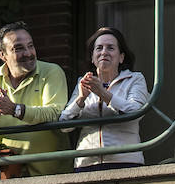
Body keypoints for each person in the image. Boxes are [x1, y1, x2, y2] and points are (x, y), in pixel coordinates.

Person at [0, 22, 68, 176]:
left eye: (30, 46)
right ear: (2, 54)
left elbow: (55, 113)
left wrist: (15, 110)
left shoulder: (51, 72)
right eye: (18, 48)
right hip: (8, 176)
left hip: (52, 175)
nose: (28, 53)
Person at [61, 27, 148, 170]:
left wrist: (103, 94)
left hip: (125, 162)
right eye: (99, 48)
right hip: (86, 163)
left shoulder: (135, 79)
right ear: (92, 57)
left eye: (111, 48)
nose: (104, 52)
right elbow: (64, 125)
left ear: (121, 57)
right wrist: (81, 99)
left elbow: (135, 113)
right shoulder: (83, 83)